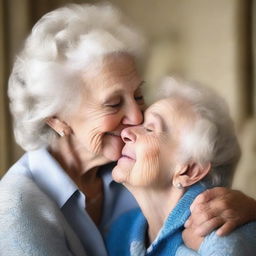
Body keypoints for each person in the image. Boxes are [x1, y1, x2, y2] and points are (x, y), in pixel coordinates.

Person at [0, 3, 256, 256]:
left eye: (138, 95)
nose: (136, 117)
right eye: (113, 104)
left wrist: (249, 210)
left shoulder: (136, 167)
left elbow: (206, 191)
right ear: (57, 118)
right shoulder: (17, 208)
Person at [106, 77, 256, 256]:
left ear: (189, 170)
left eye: (150, 129)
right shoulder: (120, 233)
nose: (126, 132)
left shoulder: (221, 236)